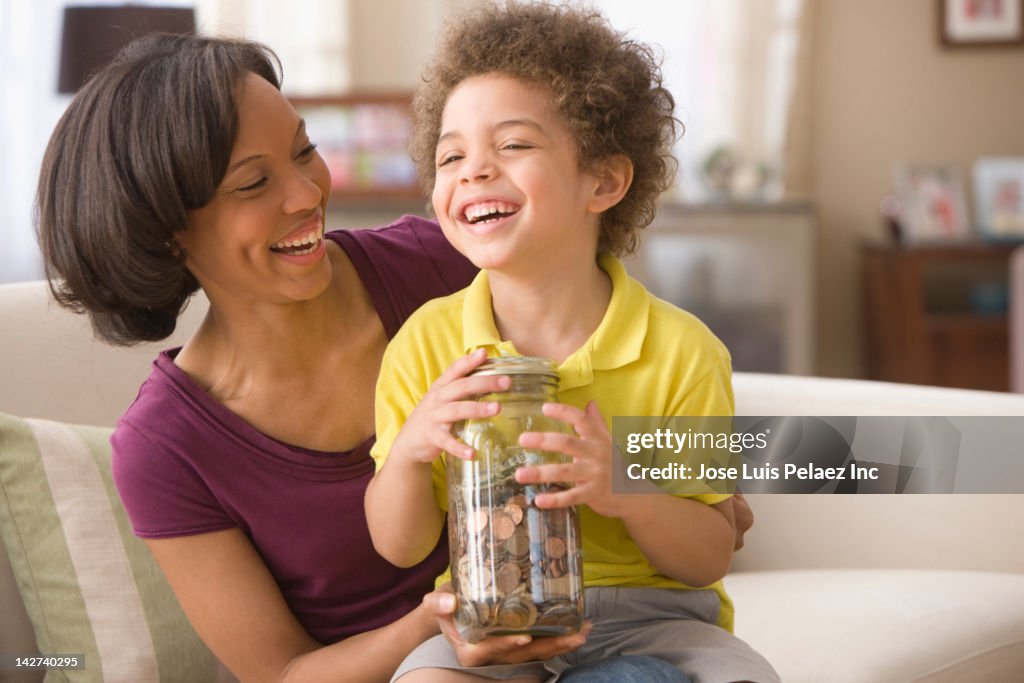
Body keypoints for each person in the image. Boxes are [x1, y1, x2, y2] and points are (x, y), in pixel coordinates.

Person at [34, 32, 744, 683]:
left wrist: (682, 478)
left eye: (305, 152)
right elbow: (285, 674)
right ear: (166, 235)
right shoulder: (166, 447)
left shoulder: (452, 258)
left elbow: (708, 440)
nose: (310, 194)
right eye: (254, 183)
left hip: (624, 607)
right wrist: (436, 624)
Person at [364, 3, 779, 682]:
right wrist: (412, 448)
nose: (472, 170)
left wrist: (621, 485)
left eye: (513, 145)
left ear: (604, 181)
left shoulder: (681, 351)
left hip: (655, 617)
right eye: (451, 154)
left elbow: (707, 555)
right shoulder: (425, 344)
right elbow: (397, 543)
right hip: (491, 617)